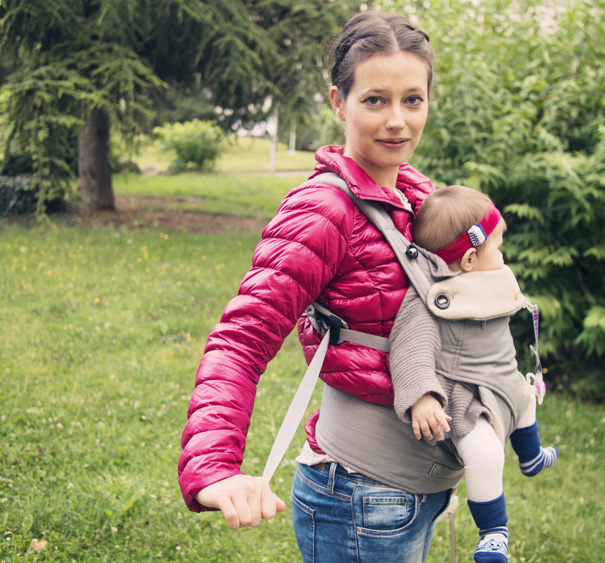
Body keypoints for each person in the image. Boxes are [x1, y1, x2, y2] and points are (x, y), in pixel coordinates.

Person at [179, 10, 465, 562]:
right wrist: (214, 465)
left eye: (413, 100)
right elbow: (241, 339)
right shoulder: (323, 211)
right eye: (375, 100)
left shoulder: (420, 196)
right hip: (361, 497)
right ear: (339, 102)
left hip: (420, 489)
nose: (398, 122)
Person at [388, 185, 559, 563]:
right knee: (485, 454)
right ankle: (493, 532)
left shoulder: (484, 280)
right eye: (497, 247)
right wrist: (423, 396)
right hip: (470, 396)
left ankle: (531, 456)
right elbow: (410, 349)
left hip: (505, 379)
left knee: (526, 398)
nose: (502, 255)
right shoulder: (432, 299)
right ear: (468, 259)